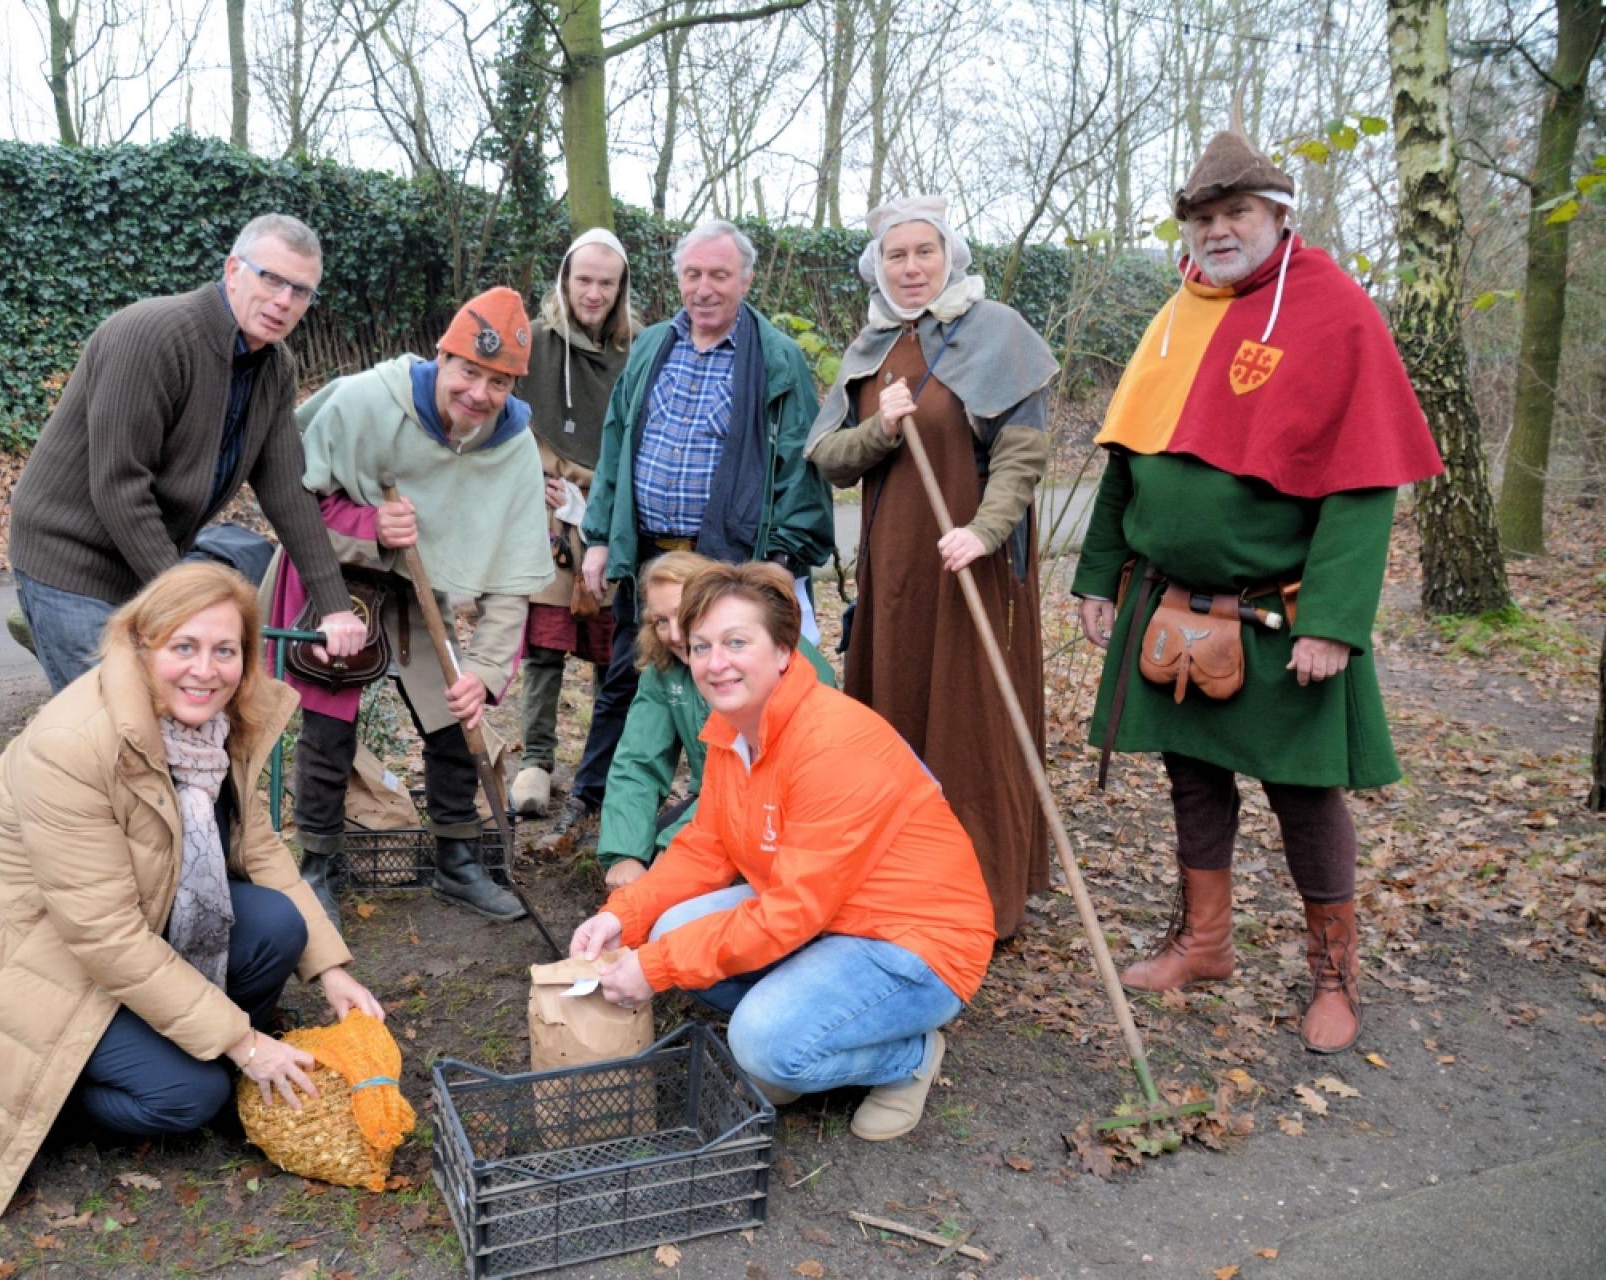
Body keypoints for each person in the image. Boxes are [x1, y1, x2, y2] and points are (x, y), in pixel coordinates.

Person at [0, 563, 384, 1219]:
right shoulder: (73, 746)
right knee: (189, 1097)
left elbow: (257, 846)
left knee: (277, 925)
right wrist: (242, 1044)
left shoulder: (219, 725)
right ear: (141, 645)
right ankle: (52, 1096)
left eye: (225, 650)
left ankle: (195, 1050)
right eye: (183, 647)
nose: (205, 670)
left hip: (121, 929)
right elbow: (106, 939)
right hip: (22, 964)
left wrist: (331, 971)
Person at [1069, 129, 1443, 1054]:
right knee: (1193, 781)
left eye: (1237, 213)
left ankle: (1335, 978)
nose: (1218, 230)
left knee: (1305, 795)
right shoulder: (1174, 316)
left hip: (1281, 613)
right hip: (1169, 605)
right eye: (1202, 217)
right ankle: (1204, 946)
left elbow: (1363, 486)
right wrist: (1096, 578)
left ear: (1279, 217)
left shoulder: (1335, 311)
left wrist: (1334, 623)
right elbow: (1127, 461)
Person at [570, 562, 994, 1141]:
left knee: (762, 1045)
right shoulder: (731, 729)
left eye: (736, 642)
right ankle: (809, 1029)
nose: (716, 663)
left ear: (784, 652)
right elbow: (705, 848)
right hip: (828, 917)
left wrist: (656, 966)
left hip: (912, 943)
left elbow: (792, 912)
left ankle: (909, 1055)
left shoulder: (831, 745)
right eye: (701, 646)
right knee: (669, 928)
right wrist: (624, 915)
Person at [805, 195, 1060, 941]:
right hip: (896, 573)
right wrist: (881, 428)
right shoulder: (873, 346)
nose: (912, 267)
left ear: (950, 254)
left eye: (925, 251)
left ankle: (980, 898)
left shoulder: (999, 332)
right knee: (897, 721)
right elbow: (829, 457)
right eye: (896, 254)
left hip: (971, 566)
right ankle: (898, 888)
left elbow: (1023, 452)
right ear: (877, 264)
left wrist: (984, 532)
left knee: (970, 723)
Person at [267, 287, 554, 924]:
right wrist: (367, 524)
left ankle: (458, 863)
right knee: (328, 720)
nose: (478, 394)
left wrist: (482, 671)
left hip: (420, 590)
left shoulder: (511, 449)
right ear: (442, 357)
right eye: (468, 371)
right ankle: (317, 868)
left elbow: (513, 577)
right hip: (335, 581)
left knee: (454, 710)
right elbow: (290, 497)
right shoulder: (368, 401)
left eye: (499, 382)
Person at [559, 220, 837, 846]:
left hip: (728, 562)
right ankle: (598, 805)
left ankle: (726, 821)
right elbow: (616, 441)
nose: (704, 288)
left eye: (718, 274)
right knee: (630, 678)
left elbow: (801, 463)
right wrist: (600, 536)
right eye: (692, 274)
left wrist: (783, 562)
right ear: (677, 278)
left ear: (745, 279)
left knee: (727, 686)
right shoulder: (655, 345)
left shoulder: (776, 359)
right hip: (653, 556)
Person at [8, 214, 365, 693]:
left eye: (300, 291)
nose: (283, 301)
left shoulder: (274, 367)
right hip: (71, 561)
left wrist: (334, 604)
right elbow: (119, 486)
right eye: (272, 279)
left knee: (177, 721)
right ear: (233, 270)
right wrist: (188, 600)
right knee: (111, 724)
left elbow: (287, 490)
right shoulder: (152, 335)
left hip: (149, 565)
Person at [597, 550, 838, 889]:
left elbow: (750, 782)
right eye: (660, 621)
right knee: (644, 868)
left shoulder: (774, 657)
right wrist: (625, 855)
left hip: (790, 809)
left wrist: (677, 849)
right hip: (712, 804)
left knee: (678, 879)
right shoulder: (666, 669)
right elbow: (638, 760)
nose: (674, 634)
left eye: (682, 614)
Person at [511, 229, 640, 818]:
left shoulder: (638, 351)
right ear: (565, 280)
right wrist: (523, 477)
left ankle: (602, 764)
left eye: (605, 283)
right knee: (543, 647)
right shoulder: (531, 345)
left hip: (613, 508)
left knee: (612, 647)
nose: (592, 292)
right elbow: (493, 417)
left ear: (620, 290)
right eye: (583, 279)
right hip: (546, 511)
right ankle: (535, 761)